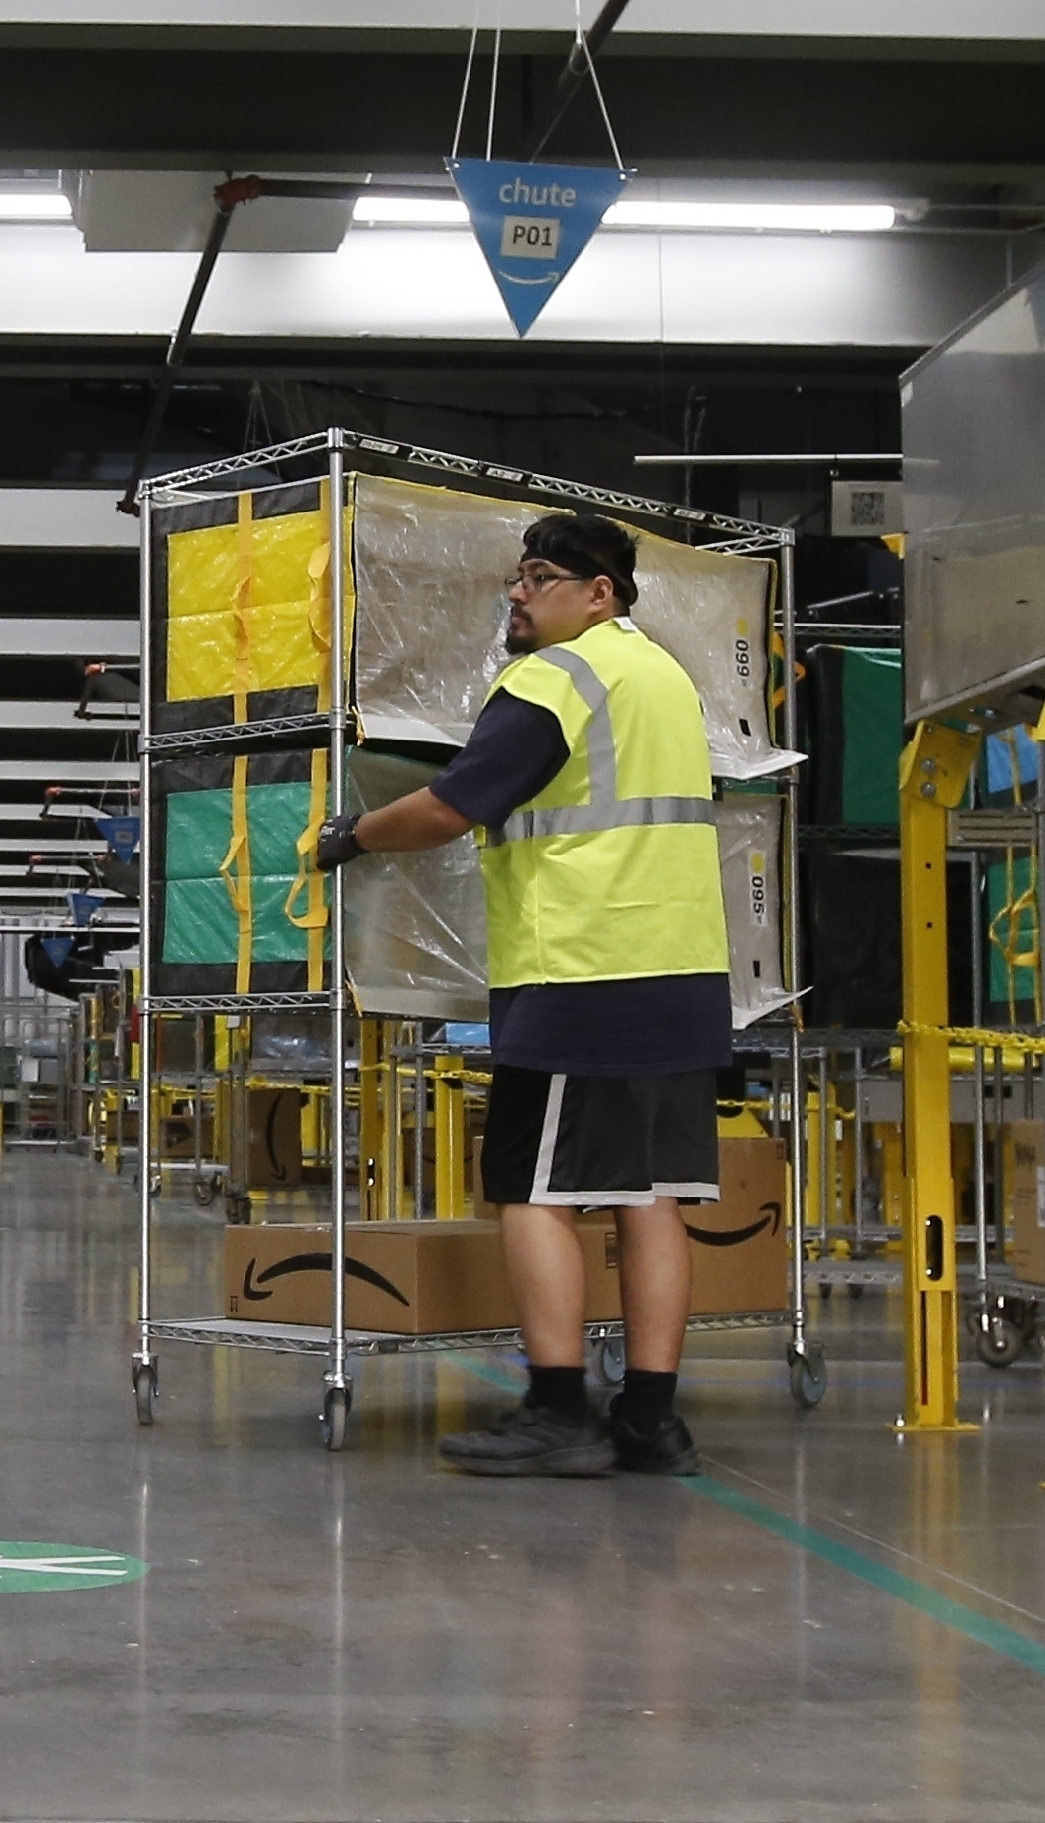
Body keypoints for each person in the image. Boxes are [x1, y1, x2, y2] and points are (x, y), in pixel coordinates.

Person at [315, 511, 729, 1479]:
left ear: (598, 593)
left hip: (581, 972)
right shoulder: (664, 678)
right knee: (648, 1198)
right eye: (517, 575)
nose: (516, 592)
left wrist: (353, 834)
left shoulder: (555, 678)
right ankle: (648, 1421)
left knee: (532, 1192)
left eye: (538, 577)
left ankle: (555, 1409)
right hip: (679, 972)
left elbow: (450, 806)